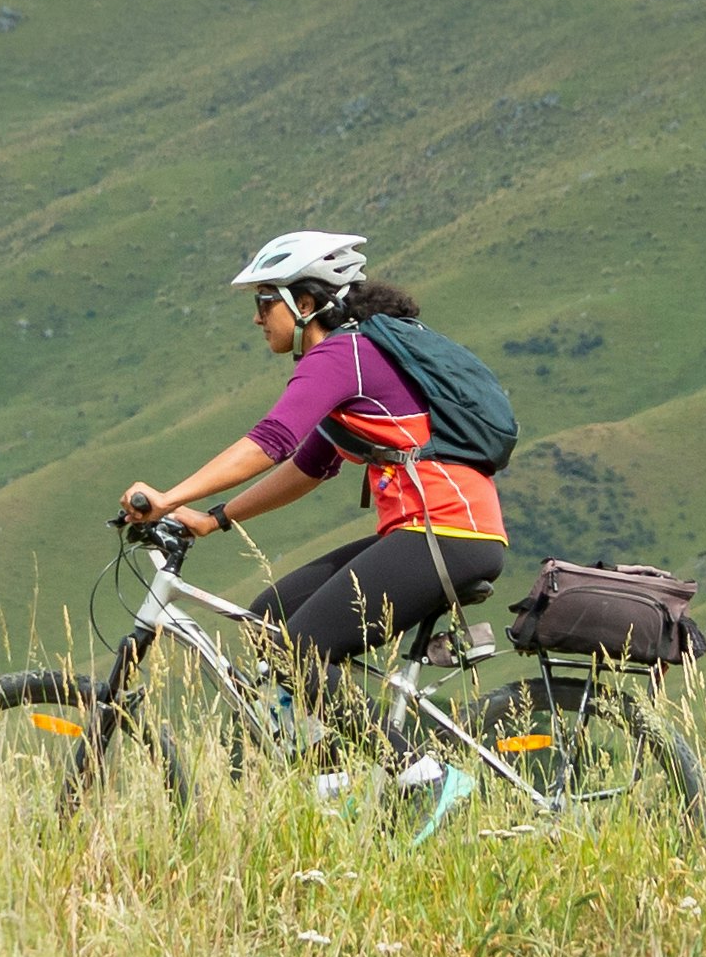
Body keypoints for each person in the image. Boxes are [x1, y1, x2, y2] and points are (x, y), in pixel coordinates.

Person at [119, 228, 507, 675]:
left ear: (304, 304)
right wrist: (213, 519)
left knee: (300, 650)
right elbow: (308, 466)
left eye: (265, 302)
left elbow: (271, 442)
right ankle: (325, 743)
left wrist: (168, 498)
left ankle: (381, 747)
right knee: (266, 621)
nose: (257, 318)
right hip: (442, 535)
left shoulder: (342, 356)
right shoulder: (356, 358)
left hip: (445, 535)